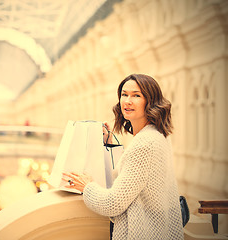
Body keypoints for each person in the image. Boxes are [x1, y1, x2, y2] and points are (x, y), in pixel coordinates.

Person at [62, 74, 184, 239]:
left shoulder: (145, 143)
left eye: (136, 95)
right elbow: (134, 177)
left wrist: (86, 186)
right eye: (124, 94)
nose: (127, 100)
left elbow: (113, 204)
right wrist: (109, 144)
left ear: (151, 102)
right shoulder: (157, 134)